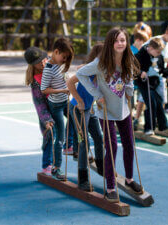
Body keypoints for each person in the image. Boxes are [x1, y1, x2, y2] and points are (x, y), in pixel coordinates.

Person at [76, 27, 142, 202]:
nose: (120, 43)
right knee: (111, 146)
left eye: (123, 40)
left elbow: (129, 78)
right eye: (116, 40)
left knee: (129, 143)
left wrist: (130, 89)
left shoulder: (128, 58)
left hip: (123, 109)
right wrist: (97, 94)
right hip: (106, 111)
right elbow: (80, 74)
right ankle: (111, 187)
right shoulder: (100, 62)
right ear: (110, 43)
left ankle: (129, 180)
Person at [67, 43, 104, 192]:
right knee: (84, 143)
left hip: (90, 109)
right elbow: (69, 82)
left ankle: (101, 166)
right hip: (78, 108)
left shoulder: (102, 70)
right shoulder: (88, 69)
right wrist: (80, 101)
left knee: (99, 137)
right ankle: (83, 179)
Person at [41, 37, 74, 181]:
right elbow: (44, 89)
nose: (65, 60)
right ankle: (56, 168)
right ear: (56, 52)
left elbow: (64, 78)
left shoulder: (61, 65)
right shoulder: (48, 69)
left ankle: (70, 145)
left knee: (76, 119)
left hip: (66, 101)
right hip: (56, 106)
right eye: (64, 57)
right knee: (59, 136)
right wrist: (61, 90)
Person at [24, 47, 54, 176]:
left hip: (59, 104)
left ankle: (71, 145)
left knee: (72, 120)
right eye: (38, 63)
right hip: (46, 110)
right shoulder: (35, 81)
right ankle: (47, 164)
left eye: (44, 60)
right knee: (49, 134)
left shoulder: (52, 66)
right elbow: (39, 104)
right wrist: (46, 120)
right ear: (32, 65)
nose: (42, 63)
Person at [135, 38, 168, 135]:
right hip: (144, 83)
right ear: (150, 48)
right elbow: (134, 68)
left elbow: (162, 69)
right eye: (158, 51)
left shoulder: (159, 56)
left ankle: (163, 125)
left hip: (154, 82)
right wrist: (140, 73)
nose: (159, 54)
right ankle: (148, 128)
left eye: (160, 52)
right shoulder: (140, 55)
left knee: (159, 102)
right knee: (151, 103)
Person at [130, 30, 150, 130]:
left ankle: (137, 119)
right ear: (138, 40)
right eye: (143, 42)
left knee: (140, 100)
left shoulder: (142, 51)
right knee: (131, 102)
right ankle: (128, 120)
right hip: (131, 81)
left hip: (140, 82)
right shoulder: (130, 50)